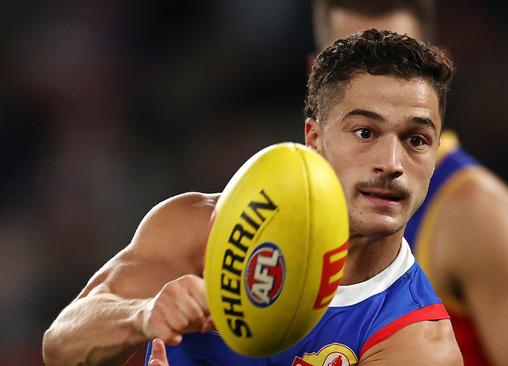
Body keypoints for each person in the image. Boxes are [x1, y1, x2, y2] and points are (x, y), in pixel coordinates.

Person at [42, 29, 462, 366]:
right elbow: (62, 346)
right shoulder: (200, 229)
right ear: (314, 139)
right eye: (365, 132)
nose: (391, 162)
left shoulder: (417, 341)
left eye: (416, 139)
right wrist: (143, 315)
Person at [312, 1, 508, 365]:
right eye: (352, 61)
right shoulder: (288, 200)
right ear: (318, 75)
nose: (378, 80)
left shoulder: (480, 214)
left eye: (397, 55)